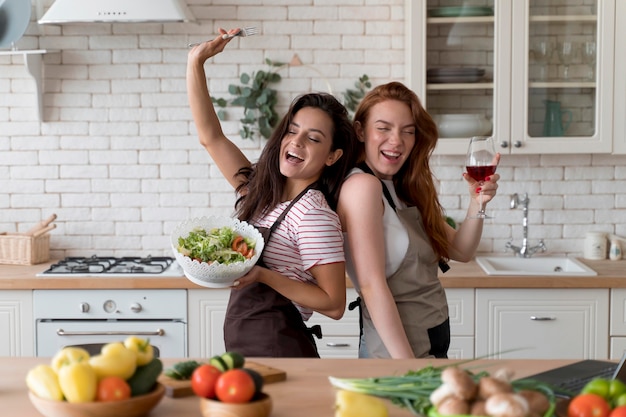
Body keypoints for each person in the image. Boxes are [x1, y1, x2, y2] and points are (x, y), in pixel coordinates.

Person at [186, 28, 358, 357]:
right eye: (292, 131)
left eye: (314, 138)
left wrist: (262, 275)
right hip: (247, 346)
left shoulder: (313, 214)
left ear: (332, 156)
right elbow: (211, 137)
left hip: (282, 349)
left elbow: (334, 303)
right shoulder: (261, 194)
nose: (296, 141)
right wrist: (196, 61)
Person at [337, 81, 500, 359]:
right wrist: (409, 366)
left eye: (408, 131)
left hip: (429, 345)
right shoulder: (362, 186)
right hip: (397, 355)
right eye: (384, 128)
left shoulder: (401, 188)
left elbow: (462, 250)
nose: (397, 140)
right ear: (361, 131)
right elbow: (371, 286)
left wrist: (477, 203)